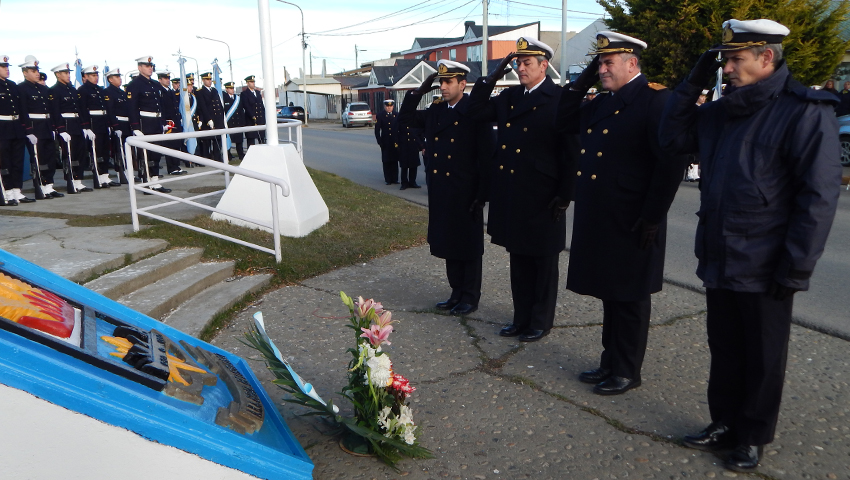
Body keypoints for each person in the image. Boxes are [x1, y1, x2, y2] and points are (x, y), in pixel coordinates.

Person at [659, 18, 841, 473]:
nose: (727, 69)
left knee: (762, 355)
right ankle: (723, 421)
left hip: (767, 260)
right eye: (722, 61)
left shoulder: (804, 110)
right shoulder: (724, 111)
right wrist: (693, 82)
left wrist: (797, 267)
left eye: (735, 59)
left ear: (766, 58)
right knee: (724, 348)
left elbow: (817, 198)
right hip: (720, 252)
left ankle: (753, 435)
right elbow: (672, 138)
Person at [556, 32, 685, 395]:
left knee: (629, 295)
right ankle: (609, 361)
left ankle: (627, 369)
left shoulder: (656, 101)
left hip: (634, 217)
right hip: (603, 214)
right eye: (600, 62)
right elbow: (563, 120)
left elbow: (671, 163)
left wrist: (653, 216)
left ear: (633, 63)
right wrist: (583, 80)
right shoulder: (603, 101)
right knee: (611, 292)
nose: (602, 68)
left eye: (608, 62)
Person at [467, 37, 576, 342]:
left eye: (527, 62)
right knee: (519, 260)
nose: (520, 67)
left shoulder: (559, 98)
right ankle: (521, 317)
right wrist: (491, 77)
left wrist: (566, 194)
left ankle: (540, 320)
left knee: (542, 262)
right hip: (514, 191)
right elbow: (475, 111)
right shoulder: (510, 97)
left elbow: (571, 152)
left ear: (545, 65)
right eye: (517, 62)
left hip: (544, 194)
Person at [399, 59, 494, 315]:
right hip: (442, 189)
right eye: (440, 81)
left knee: (468, 246)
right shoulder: (437, 111)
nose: (443, 86)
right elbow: (405, 118)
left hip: (466, 190)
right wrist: (420, 91)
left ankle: (470, 297)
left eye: (448, 81)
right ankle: (456, 293)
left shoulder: (474, 112)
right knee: (449, 243)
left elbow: (486, 156)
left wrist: (482, 195)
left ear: (463, 84)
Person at [18, 55, 64, 199]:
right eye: (33, 70)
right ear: (25, 73)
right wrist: (28, 130)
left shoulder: (43, 89)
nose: (37, 73)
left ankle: (48, 185)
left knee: (50, 157)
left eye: (37, 70)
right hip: (34, 127)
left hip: (46, 126)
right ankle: (39, 185)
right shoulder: (22, 89)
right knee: (38, 158)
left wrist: (55, 127)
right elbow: (23, 111)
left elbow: (51, 110)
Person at [126, 55, 170, 193]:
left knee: (156, 153)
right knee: (146, 155)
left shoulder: (155, 84)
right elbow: (131, 107)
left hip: (156, 122)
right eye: (147, 66)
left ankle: (155, 180)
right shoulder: (134, 85)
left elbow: (161, 105)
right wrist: (135, 127)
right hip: (144, 123)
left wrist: (162, 122)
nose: (150, 68)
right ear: (139, 68)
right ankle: (147, 181)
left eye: (151, 66)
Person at [50, 61, 89, 193]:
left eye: (68, 73)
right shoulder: (55, 90)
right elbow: (55, 111)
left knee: (80, 153)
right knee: (69, 154)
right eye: (65, 73)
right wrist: (60, 129)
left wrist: (84, 126)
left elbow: (79, 109)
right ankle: (70, 180)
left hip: (76, 124)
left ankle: (78, 180)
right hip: (66, 125)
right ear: (58, 74)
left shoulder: (72, 89)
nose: (68, 75)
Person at [79, 65, 119, 188]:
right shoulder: (83, 90)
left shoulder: (100, 90)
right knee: (96, 152)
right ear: (85, 76)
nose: (95, 77)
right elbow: (82, 110)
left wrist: (109, 124)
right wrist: (86, 127)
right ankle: (98, 177)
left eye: (96, 75)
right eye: (92, 75)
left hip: (102, 123)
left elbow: (106, 109)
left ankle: (105, 176)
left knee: (105, 151)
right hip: (93, 123)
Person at [0, 54, 32, 205]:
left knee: (17, 161)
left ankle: (17, 190)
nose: (6, 70)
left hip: (16, 127)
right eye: (3, 67)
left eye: (7, 67)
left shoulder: (12, 85)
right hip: (2, 128)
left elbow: (21, 108)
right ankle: (6, 192)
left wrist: (27, 129)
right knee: (4, 162)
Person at [104, 68, 131, 183]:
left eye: (120, 77)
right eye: (117, 77)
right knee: (118, 151)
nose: (120, 79)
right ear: (110, 79)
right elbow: (110, 110)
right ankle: (121, 173)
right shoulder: (108, 92)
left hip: (126, 124)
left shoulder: (121, 92)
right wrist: (115, 126)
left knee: (127, 151)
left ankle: (128, 172)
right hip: (118, 124)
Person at [156, 71, 185, 175]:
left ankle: (176, 166)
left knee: (176, 144)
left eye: (168, 78)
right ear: (160, 80)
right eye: (165, 78)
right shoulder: (159, 91)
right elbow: (161, 108)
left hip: (175, 121)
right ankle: (171, 168)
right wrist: (163, 122)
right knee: (170, 145)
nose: (168, 80)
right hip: (168, 122)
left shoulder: (170, 91)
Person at [196, 72, 225, 161]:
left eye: (210, 79)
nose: (210, 81)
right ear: (203, 80)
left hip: (217, 119)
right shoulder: (200, 92)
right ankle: (206, 158)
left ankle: (217, 157)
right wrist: (208, 119)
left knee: (218, 140)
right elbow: (203, 107)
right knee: (207, 141)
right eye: (207, 79)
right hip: (208, 119)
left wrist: (221, 117)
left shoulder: (214, 90)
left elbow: (219, 105)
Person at [374, 99, 400, 185]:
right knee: (386, 161)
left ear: (393, 106)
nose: (389, 108)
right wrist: (380, 142)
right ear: (384, 106)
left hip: (395, 141)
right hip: (385, 141)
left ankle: (395, 178)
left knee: (394, 160)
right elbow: (377, 130)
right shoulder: (380, 115)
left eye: (390, 106)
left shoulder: (396, 115)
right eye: (387, 106)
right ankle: (388, 179)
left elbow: (399, 129)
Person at [223, 81, 245, 160]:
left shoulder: (237, 98)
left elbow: (241, 111)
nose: (232, 90)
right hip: (229, 123)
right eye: (230, 88)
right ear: (226, 89)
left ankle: (240, 154)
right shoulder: (224, 98)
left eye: (233, 88)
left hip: (238, 122)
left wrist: (242, 122)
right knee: (228, 140)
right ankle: (228, 155)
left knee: (239, 141)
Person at [241, 75, 265, 146]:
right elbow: (246, 106)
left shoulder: (258, 93)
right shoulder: (244, 94)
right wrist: (252, 116)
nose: (253, 83)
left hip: (260, 120)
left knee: (262, 139)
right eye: (251, 82)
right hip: (251, 120)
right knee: (251, 141)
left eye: (253, 82)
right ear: (247, 83)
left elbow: (261, 105)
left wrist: (263, 116)